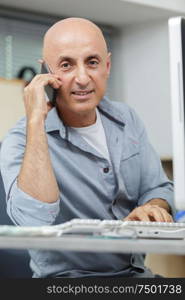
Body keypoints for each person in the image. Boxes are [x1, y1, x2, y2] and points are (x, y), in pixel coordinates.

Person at [0, 17, 174, 278]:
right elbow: (33, 221)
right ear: (46, 72)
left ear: (107, 65)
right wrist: (35, 120)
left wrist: (154, 207)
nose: (82, 78)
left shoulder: (127, 119)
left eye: (92, 62)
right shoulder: (21, 139)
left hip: (136, 277)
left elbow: (158, 188)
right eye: (66, 65)